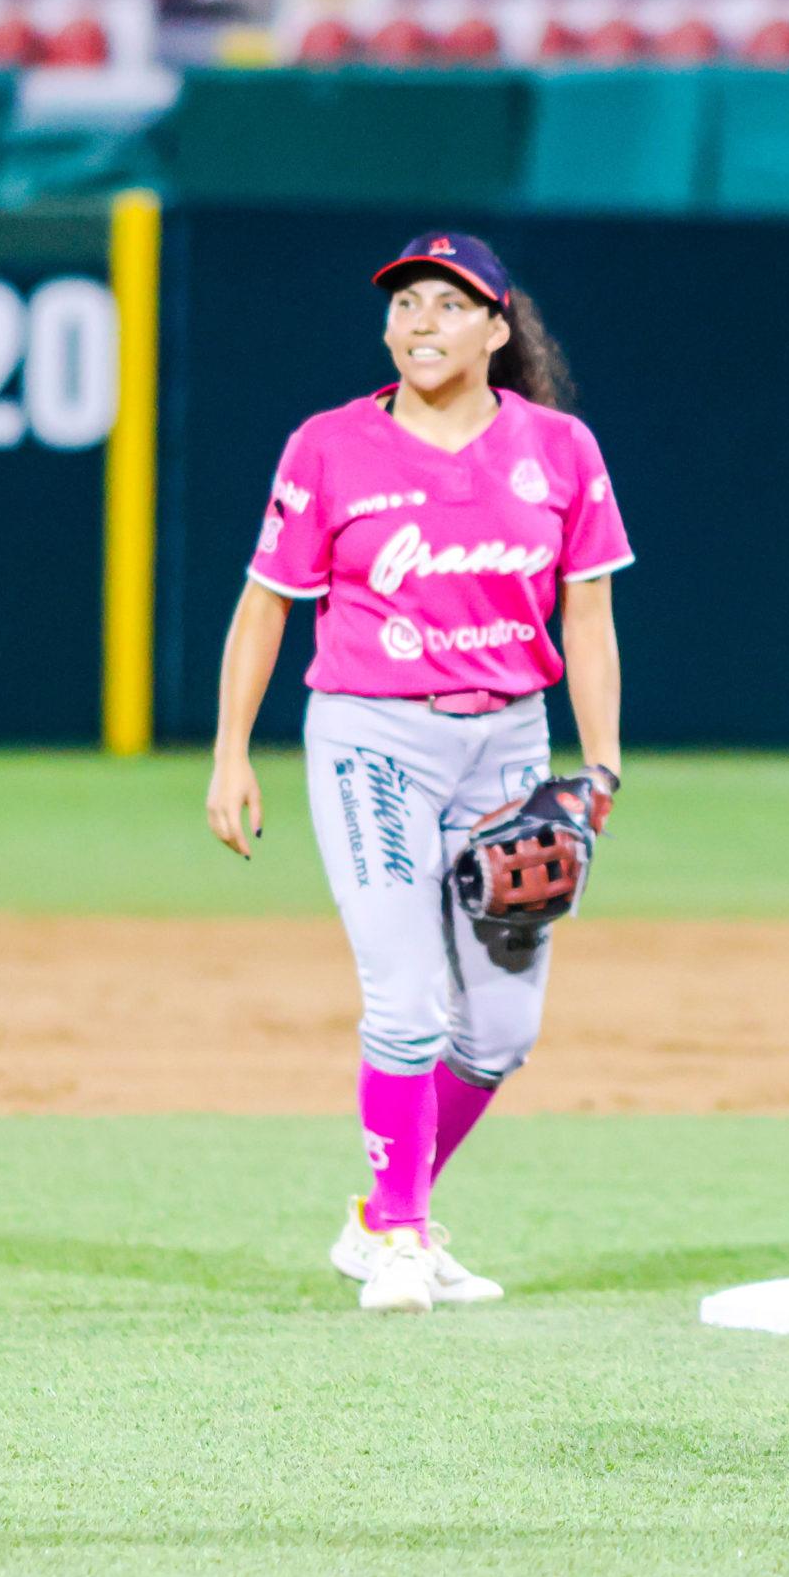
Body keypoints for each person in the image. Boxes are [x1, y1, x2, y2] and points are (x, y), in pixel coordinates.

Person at [204, 232, 632, 1313]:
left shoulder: (561, 450)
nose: (420, 323)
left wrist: (603, 760)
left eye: (448, 304)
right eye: (405, 304)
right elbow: (267, 603)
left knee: (498, 1032)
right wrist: (229, 753)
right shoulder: (329, 447)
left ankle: (378, 1215)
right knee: (405, 1003)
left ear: (498, 327)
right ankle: (399, 1234)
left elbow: (587, 611)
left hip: (511, 745)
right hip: (372, 740)